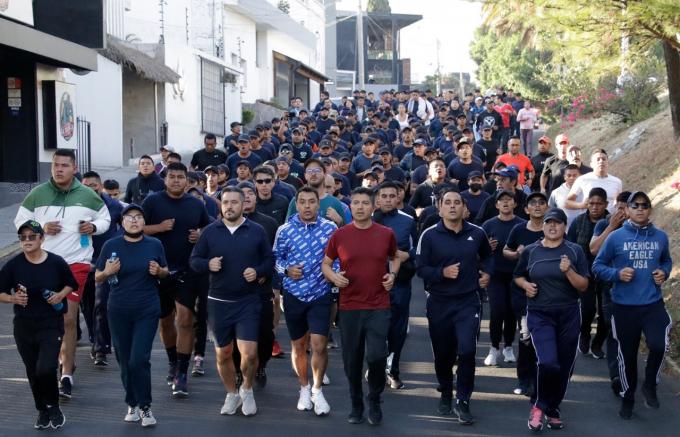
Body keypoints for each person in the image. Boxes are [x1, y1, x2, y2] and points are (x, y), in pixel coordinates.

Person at [14, 149, 111, 399]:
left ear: (74, 168)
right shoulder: (38, 193)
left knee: (68, 318)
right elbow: (20, 222)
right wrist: (40, 228)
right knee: (50, 318)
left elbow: (105, 219)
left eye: (64, 165)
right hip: (44, 263)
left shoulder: (87, 194)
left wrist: (94, 227)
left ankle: (66, 374)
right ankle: (59, 359)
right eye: (55, 165)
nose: (58, 169)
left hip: (76, 262)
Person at [190, 187, 274, 417]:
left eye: (234, 202)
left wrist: (257, 271)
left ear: (242, 203)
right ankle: (231, 393)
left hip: (248, 301)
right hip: (218, 302)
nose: (229, 206)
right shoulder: (210, 232)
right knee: (223, 354)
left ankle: (247, 390)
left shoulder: (256, 230)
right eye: (225, 202)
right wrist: (208, 265)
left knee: (249, 353)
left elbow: (269, 260)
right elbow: (194, 260)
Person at [322, 187, 400, 426]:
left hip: (378, 304)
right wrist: (334, 278)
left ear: (373, 206)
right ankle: (356, 401)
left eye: (364, 203)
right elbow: (326, 264)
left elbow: (395, 257)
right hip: (349, 306)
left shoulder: (386, 233)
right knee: (351, 360)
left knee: (376, 356)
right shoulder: (340, 235)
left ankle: (374, 398)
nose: (360, 207)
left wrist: (392, 275)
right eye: (355, 203)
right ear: (351, 206)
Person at [592, 191, 673, 420]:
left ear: (650, 209)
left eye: (644, 205)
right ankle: (628, 396)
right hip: (624, 306)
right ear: (626, 210)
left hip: (652, 304)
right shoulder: (616, 237)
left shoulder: (660, 237)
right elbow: (597, 266)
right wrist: (617, 274)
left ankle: (650, 384)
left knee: (658, 344)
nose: (640, 208)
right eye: (634, 205)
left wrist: (663, 272)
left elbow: (666, 260)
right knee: (627, 356)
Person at [416, 188, 492, 425]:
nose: (451, 206)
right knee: (443, 354)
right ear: (439, 208)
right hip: (439, 301)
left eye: (456, 202)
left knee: (468, 351)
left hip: (468, 301)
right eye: (447, 203)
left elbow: (488, 256)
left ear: (464, 208)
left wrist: (487, 273)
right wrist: (442, 273)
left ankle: (463, 400)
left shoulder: (477, 233)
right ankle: (446, 392)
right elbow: (420, 268)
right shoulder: (429, 235)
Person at [514, 208, 590, 432]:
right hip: (540, 313)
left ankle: (553, 408)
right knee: (548, 362)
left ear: (564, 227)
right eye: (549, 223)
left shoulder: (574, 251)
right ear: (543, 226)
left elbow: (583, 286)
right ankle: (538, 406)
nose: (553, 226)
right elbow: (518, 276)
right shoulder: (531, 251)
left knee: (564, 366)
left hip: (568, 313)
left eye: (557, 223)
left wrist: (568, 271)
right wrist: (526, 285)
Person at [95, 204, 168, 427]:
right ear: (122, 222)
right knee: (125, 361)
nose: (134, 221)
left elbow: (166, 272)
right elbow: (97, 277)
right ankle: (132, 403)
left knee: (139, 359)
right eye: (129, 217)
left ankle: (145, 407)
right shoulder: (111, 245)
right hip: (118, 310)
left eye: (138, 217)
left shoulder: (155, 244)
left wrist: (160, 272)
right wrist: (107, 272)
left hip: (147, 308)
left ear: (144, 222)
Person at [141, 162, 211, 397]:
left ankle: (182, 371)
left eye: (181, 177)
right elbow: (135, 229)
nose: (177, 181)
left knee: (185, 319)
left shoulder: (195, 204)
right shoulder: (152, 202)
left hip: (187, 271)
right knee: (166, 322)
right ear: (165, 179)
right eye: (172, 177)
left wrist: (200, 234)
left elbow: (209, 229)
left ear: (187, 181)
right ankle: (172, 361)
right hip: (158, 270)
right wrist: (158, 227)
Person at [0, 221, 77, 430]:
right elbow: (1, 292)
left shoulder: (56, 262)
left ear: (41, 239)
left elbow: (72, 283)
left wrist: (60, 295)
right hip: (24, 325)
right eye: (22, 237)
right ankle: (42, 410)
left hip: (50, 323)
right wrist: (12, 299)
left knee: (46, 368)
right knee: (33, 370)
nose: (26, 241)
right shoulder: (14, 265)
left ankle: (53, 405)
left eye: (31, 236)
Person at [273, 187, 336, 415]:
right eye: (303, 202)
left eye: (311, 202)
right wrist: (287, 271)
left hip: (320, 294)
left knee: (319, 344)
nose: (307, 206)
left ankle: (318, 391)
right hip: (293, 295)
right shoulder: (284, 230)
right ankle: (304, 387)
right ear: (296, 205)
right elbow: (276, 259)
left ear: (318, 204)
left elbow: (338, 259)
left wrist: (334, 278)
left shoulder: (331, 229)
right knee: (298, 346)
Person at [502, 191, 548, 396]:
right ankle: (524, 379)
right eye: (533, 203)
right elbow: (506, 250)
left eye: (541, 202)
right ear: (527, 209)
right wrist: (515, 253)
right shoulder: (518, 229)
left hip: (549, 292)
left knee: (544, 339)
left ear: (547, 207)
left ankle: (541, 379)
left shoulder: (553, 230)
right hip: (522, 290)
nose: (537, 206)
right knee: (526, 337)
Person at [373, 181, 417, 389]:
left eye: (392, 196)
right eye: (384, 196)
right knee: (375, 329)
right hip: (371, 285)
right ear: (377, 198)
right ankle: (376, 365)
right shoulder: (368, 219)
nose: (388, 200)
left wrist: (404, 255)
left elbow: (416, 251)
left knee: (398, 330)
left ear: (398, 197)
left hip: (400, 283)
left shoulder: (408, 220)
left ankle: (394, 369)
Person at [234, 182, 279, 388]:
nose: (248, 197)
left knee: (265, 332)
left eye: (250, 193)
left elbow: (274, 255)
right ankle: (237, 371)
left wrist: (263, 272)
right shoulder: (227, 224)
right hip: (235, 289)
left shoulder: (268, 223)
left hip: (262, 286)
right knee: (237, 333)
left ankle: (261, 365)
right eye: (243, 194)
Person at [81, 171, 124, 366]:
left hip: (103, 263)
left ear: (100, 186)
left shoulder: (114, 206)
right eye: (85, 186)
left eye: (93, 186)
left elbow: (126, 227)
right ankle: (94, 338)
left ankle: (101, 348)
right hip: (80, 261)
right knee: (87, 305)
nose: (89, 189)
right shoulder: (76, 204)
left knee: (101, 304)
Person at [589, 191, 630, 395]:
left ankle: (627, 372)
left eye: (625, 208)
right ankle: (616, 376)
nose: (621, 212)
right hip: (609, 287)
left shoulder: (643, 229)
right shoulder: (604, 224)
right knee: (613, 330)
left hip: (636, 290)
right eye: (619, 207)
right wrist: (612, 227)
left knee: (627, 333)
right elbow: (594, 249)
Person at [482, 191, 526, 366]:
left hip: (516, 275)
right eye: (502, 200)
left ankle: (508, 346)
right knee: (497, 310)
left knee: (511, 312)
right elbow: (480, 252)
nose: (506, 203)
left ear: (515, 204)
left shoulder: (522, 224)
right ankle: (493, 348)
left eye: (509, 200)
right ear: (496, 205)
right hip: (495, 274)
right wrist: (488, 248)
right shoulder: (488, 225)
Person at [567, 188, 609, 357]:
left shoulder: (611, 222)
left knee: (605, 313)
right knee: (588, 310)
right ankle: (584, 335)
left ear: (606, 204)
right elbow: (569, 245)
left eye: (599, 204)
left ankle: (598, 344)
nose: (594, 207)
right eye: (591, 203)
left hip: (606, 274)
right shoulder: (578, 222)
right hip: (584, 274)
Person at [286, 159, 345, 227]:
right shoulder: (297, 200)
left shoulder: (335, 202)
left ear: (325, 174)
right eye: (309, 171)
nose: (313, 174)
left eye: (317, 170)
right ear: (305, 175)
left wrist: (340, 221)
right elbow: (287, 228)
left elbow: (344, 233)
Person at [565, 149, 622, 213]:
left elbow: (619, 203)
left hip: (609, 220)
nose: (601, 161)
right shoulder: (583, 179)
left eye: (604, 159)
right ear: (591, 164)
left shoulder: (617, 182)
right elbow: (567, 203)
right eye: (598, 159)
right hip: (589, 220)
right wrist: (581, 205)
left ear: (607, 162)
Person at [548, 164, 582, 230]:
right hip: (563, 232)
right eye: (569, 175)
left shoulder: (587, 191)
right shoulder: (556, 192)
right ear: (564, 177)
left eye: (575, 175)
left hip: (583, 231)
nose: (572, 178)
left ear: (580, 176)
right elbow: (550, 212)